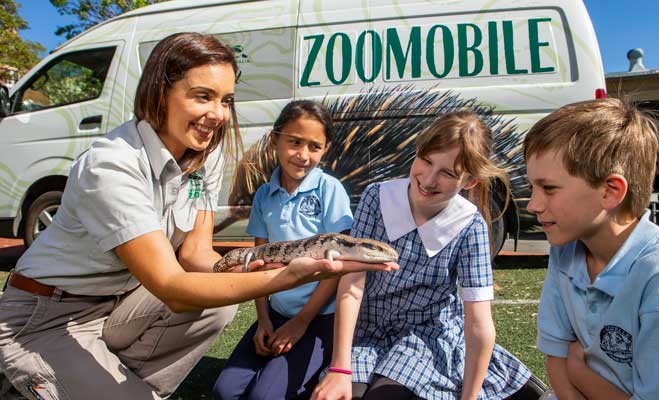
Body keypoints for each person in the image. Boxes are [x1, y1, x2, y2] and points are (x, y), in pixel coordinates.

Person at [0, 33, 396, 400]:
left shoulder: (205, 156)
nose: (219, 114)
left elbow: (196, 254)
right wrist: (285, 276)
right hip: (48, 316)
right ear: (160, 92)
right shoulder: (112, 165)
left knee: (217, 302)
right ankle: (39, 378)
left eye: (226, 100)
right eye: (202, 96)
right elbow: (171, 285)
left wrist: (252, 265)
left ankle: (101, 383)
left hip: (117, 305)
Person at [312, 111, 539, 400]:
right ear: (417, 152)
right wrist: (340, 368)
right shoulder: (376, 197)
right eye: (426, 161)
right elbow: (352, 282)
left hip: (425, 336)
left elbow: (478, 323)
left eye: (448, 173)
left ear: (469, 182)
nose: (429, 180)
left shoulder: (470, 226)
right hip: (365, 330)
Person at [526, 98, 659, 399]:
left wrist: (580, 373)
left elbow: (570, 364)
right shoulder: (566, 249)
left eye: (549, 188)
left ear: (611, 192)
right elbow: (557, 354)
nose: (533, 205)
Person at [213, 100, 352, 399]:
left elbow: (338, 268)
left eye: (314, 146)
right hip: (275, 312)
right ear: (275, 140)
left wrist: (301, 322)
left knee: (264, 397)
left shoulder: (330, 191)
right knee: (225, 391)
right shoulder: (264, 195)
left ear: (325, 149)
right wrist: (262, 318)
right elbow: (257, 261)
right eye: (294, 142)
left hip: (318, 317)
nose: (303, 155)